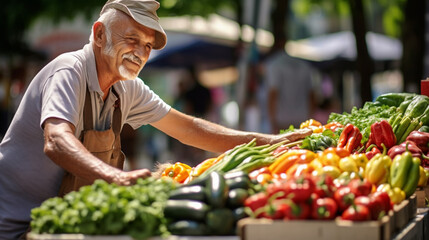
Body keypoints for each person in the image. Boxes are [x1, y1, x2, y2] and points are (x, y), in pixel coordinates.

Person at [0, 0, 311, 238]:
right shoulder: (69, 71)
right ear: (99, 34)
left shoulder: (127, 87)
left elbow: (191, 129)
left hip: (57, 227)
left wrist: (271, 142)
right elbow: (56, 140)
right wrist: (118, 178)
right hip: (12, 225)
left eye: (147, 45)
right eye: (132, 39)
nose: (140, 52)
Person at [264, 46, 317, 134]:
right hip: (303, 118)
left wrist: (272, 121)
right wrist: (311, 117)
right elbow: (311, 94)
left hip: (282, 120)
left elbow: (273, 93)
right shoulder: (304, 65)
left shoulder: (274, 64)